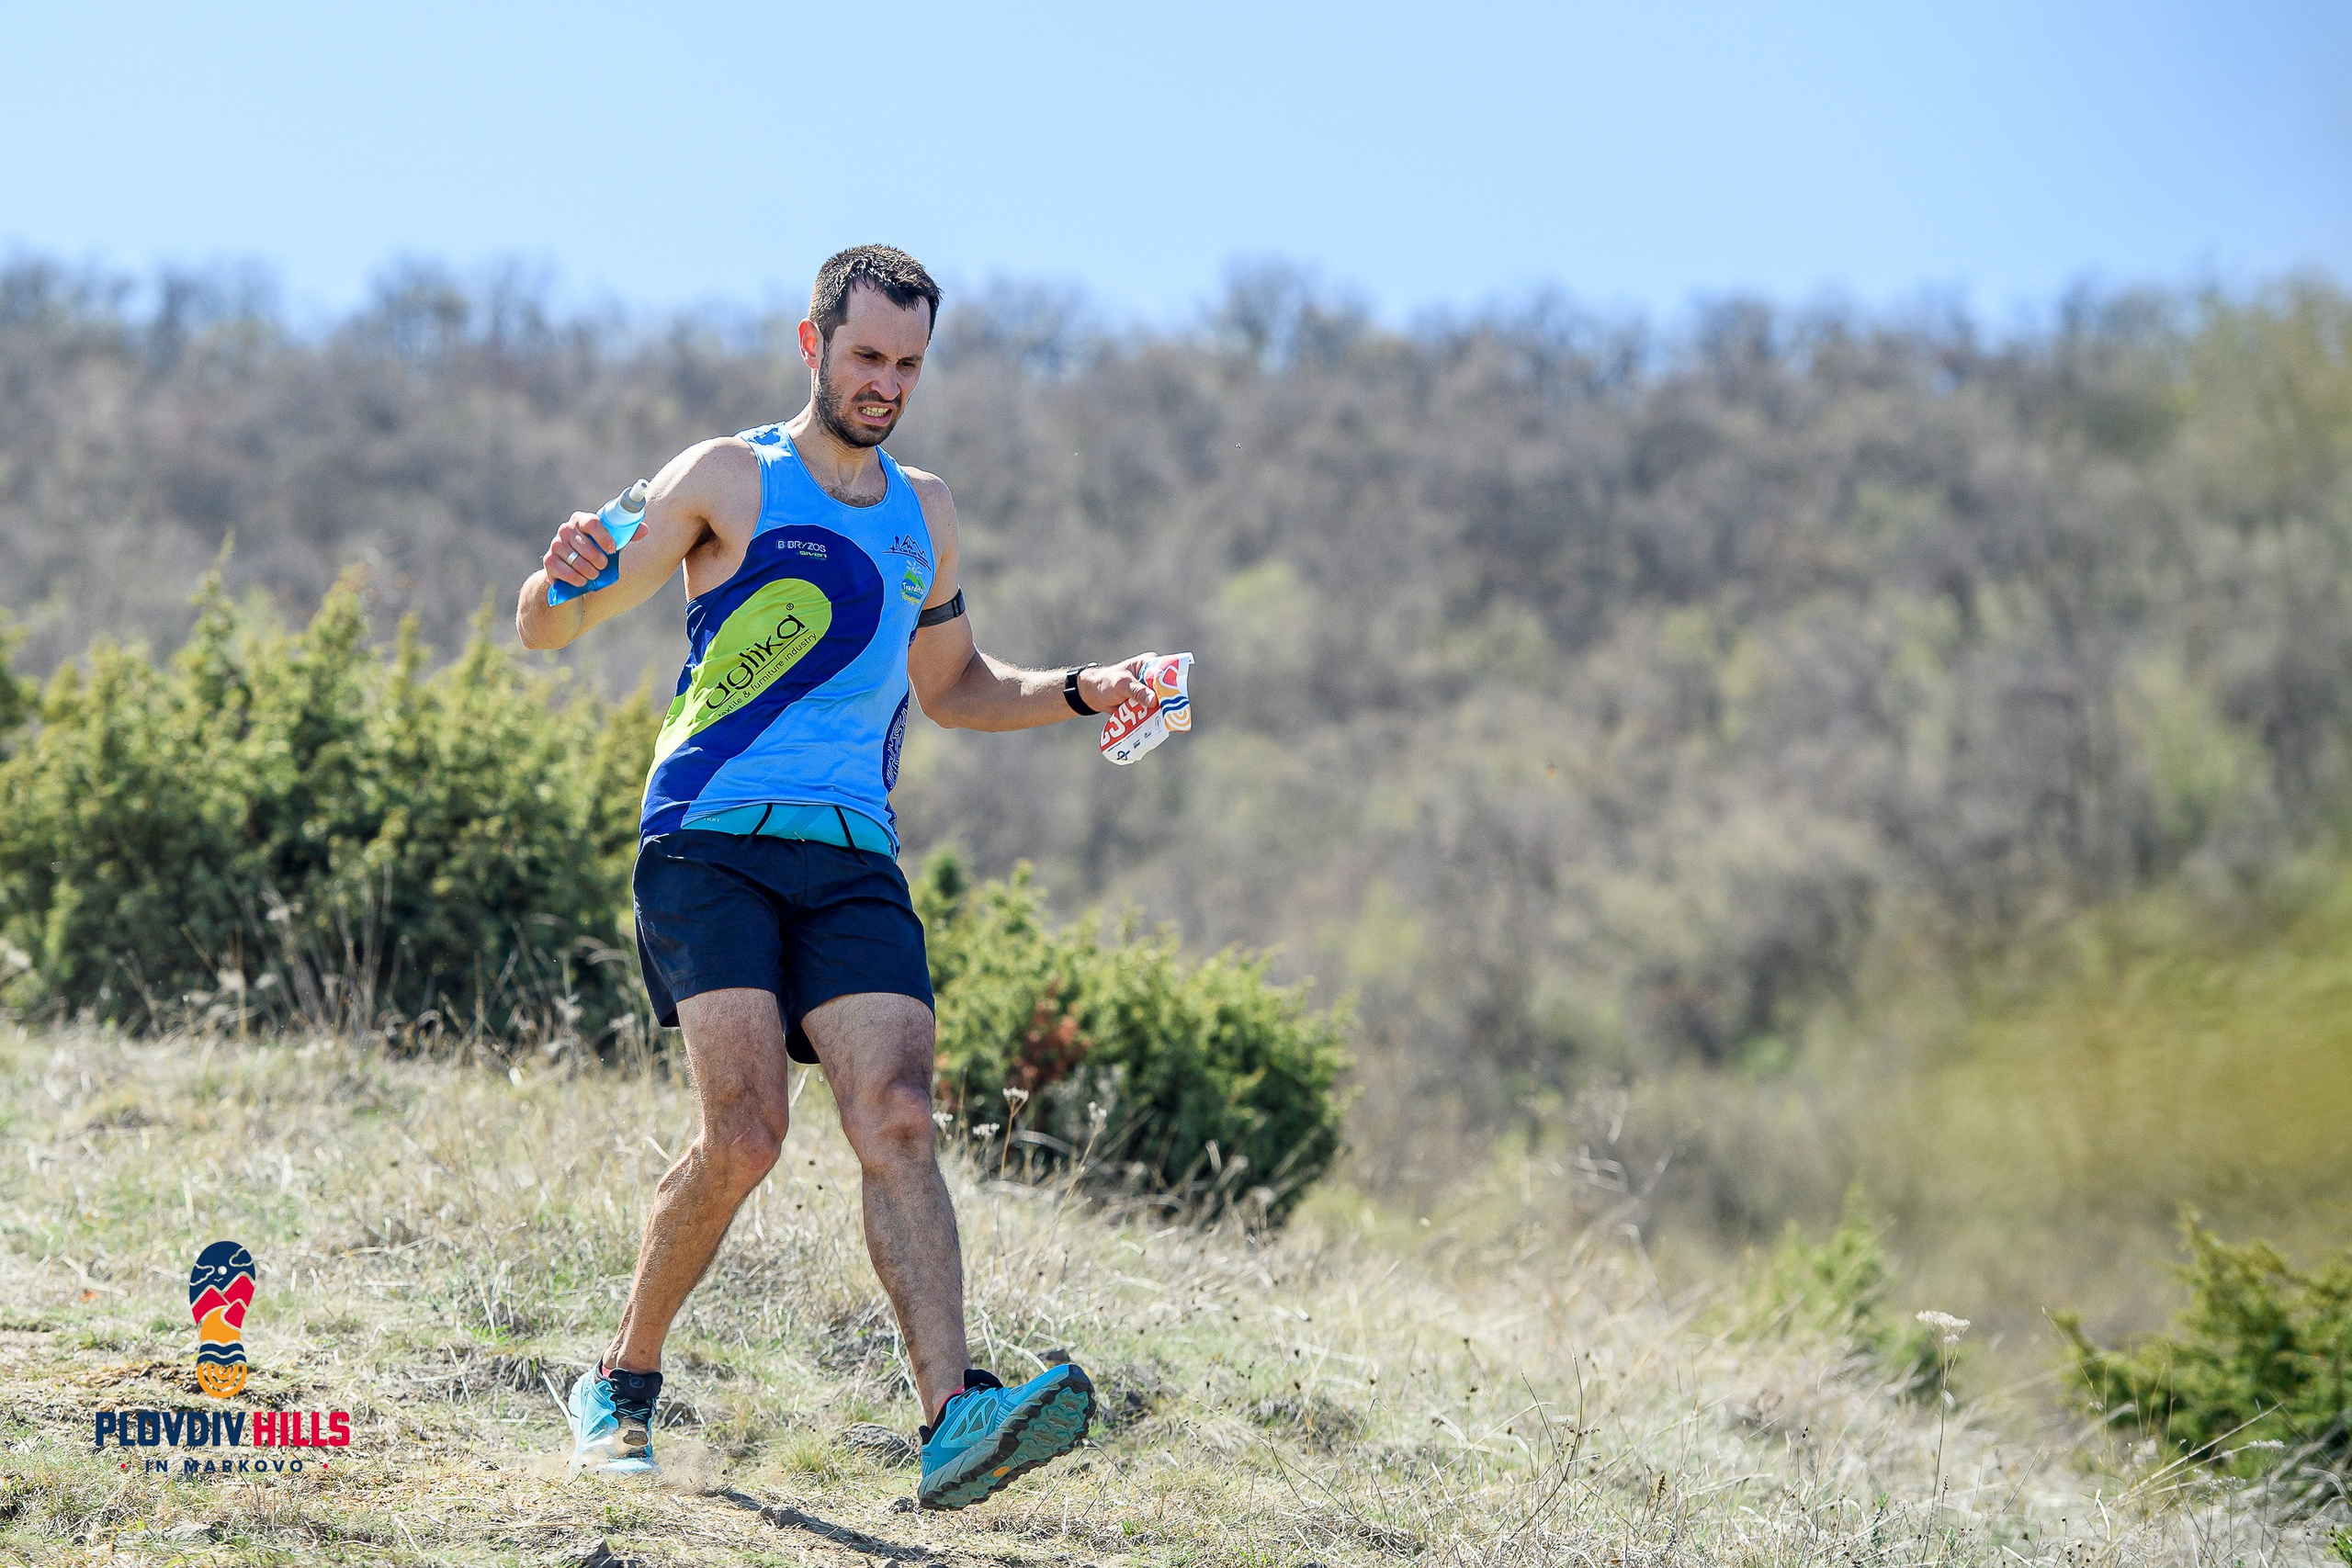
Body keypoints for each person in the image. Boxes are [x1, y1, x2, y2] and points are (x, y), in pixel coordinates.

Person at [514, 244, 1161, 1509]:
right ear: (813, 346)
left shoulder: (927, 511)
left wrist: (1090, 687)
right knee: (746, 1135)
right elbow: (551, 624)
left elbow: (957, 687)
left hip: (854, 852)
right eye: (866, 356)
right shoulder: (724, 477)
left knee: (900, 1117)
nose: (887, 383)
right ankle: (623, 1383)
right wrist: (562, 575)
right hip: (708, 838)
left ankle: (954, 1418)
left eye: (909, 364)